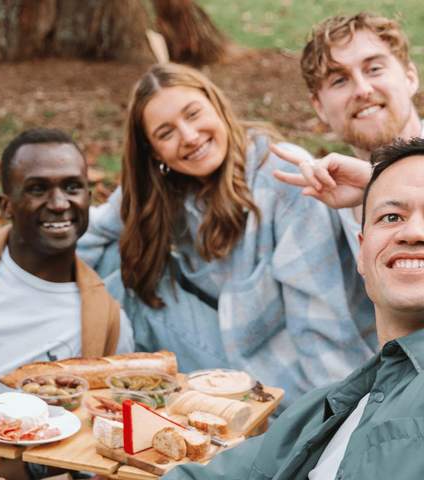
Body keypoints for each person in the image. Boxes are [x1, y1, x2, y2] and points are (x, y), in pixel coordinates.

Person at [78, 62, 376, 411]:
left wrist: (331, 418)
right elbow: (89, 231)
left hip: (284, 373)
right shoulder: (162, 187)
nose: (189, 136)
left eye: (194, 114)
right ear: (154, 153)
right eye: (166, 133)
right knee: (110, 261)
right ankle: (86, 399)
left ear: (218, 107)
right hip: (227, 332)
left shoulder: (284, 180)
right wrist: (17, 266)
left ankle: (114, 406)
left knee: (119, 290)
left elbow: (321, 320)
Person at [163, 137, 424, 480]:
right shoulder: (323, 411)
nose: (414, 232)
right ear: (362, 252)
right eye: (391, 217)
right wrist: (383, 182)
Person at [0, 128, 134, 477]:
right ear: (6, 206)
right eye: (37, 189)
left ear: (89, 199)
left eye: (72, 187)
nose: (60, 203)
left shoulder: (105, 319)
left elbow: (95, 442)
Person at [272, 12, 423, 258]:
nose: (362, 90)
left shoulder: (366, 183)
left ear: (410, 77)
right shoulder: (335, 202)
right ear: (319, 106)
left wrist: (377, 183)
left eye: (374, 69)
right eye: (340, 80)